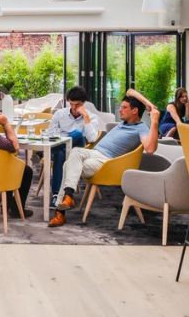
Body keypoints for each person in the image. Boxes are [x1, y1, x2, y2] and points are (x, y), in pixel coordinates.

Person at [49, 88, 159, 228]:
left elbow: (150, 149)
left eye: (124, 108)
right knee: (75, 152)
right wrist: (148, 104)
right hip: (94, 152)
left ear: (135, 111)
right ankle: (68, 198)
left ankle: (61, 211)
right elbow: (130, 91)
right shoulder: (124, 123)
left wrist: (154, 121)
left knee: (67, 165)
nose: (120, 110)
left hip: (107, 162)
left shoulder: (141, 128)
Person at [46, 86, 100, 208]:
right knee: (60, 154)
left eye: (78, 105)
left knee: (79, 135)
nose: (74, 108)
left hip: (78, 151)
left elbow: (92, 139)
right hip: (60, 147)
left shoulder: (91, 117)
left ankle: (41, 153)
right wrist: (66, 136)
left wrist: (85, 118)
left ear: (83, 103)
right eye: (72, 104)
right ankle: (57, 196)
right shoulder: (60, 114)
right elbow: (50, 133)